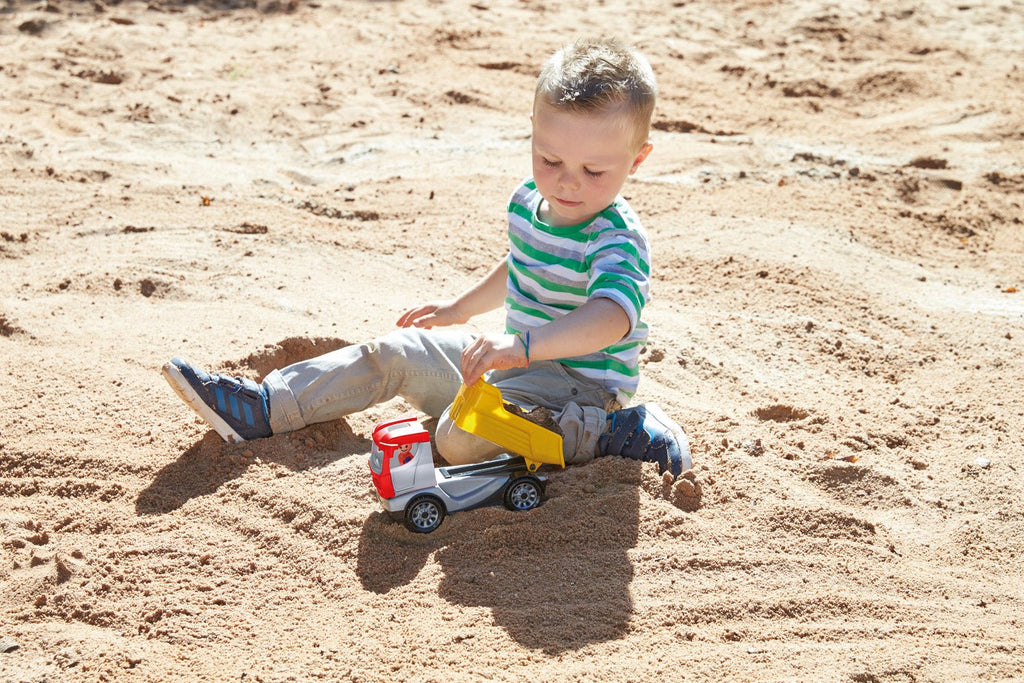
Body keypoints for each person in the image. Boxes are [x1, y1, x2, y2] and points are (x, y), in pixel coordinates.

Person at [162, 37, 691, 477]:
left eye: (593, 171)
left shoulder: (616, 236)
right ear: (533, 130)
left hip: (580, 387)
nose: (566, 181)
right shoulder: (531, 201)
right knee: (399, 350)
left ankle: (610, 434)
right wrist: (459, 310)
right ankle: (269, 405)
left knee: (457, 437)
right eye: (550, 158)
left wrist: (524, 345)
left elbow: (610, 317)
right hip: (514, 361)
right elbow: (524, 266)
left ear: (637, 160)